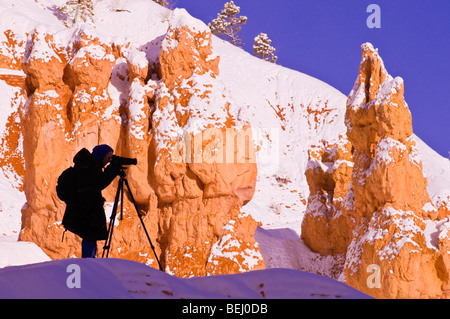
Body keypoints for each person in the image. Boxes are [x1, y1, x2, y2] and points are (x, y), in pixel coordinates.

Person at [62, 144, 121, 258]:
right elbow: (100, 183)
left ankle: (89, 261)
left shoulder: (89, 164)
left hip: (86, 208)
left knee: (90, 236)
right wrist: (113, 168)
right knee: (89, 236)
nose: (109, 161)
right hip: (86, 209)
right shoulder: (89, 166)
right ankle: (88, 263)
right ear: (101, 156)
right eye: (108, 158)